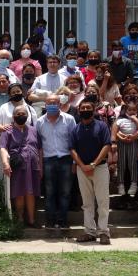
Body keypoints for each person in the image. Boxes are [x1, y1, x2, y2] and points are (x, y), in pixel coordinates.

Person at [70, 99, 112, 245]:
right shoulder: (76, 129)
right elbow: (72, 149)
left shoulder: (102, 126)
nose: (86, 109)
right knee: (87, 203)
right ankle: (89, 232)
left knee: (102, 201)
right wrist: (82, 166)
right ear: (79, 111)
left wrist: (93, 164)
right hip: (83, 170)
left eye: (88, 107)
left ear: (94, 110)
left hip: (99, 168)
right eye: (83, 107)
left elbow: (107, 145)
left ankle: (103, 232)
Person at [36, 93, 77, 229]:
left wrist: (74, 163)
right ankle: (50, 221)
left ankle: (63, 220)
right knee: (49, 192)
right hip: (48, 160)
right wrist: (40, 165)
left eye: (55, 103)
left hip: (66, 159)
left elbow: (74, 142)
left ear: (60, 104)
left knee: (65, 192)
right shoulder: (39, 122)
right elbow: (39, 146)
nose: (52, 105)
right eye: (49, 103)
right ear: (45, 105)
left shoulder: (69, 119)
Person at [0, 105, 42, 227]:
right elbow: (2, 148)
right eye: (18, 114)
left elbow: (40, 149)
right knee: (19, 193)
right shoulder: (8, 131)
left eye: (23, 114)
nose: (21, 116)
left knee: (31, 192)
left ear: (27, 116)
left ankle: (32, 220)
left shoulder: (33, 130)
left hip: (33, 166)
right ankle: (20, 219)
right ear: (13, 117)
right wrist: (5, 163)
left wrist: (41, 167)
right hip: (18, 167)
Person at [111, 102, 138, 200]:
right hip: (121, 144)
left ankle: (134, 184)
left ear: (137, 111)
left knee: (132, 164)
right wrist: (120, 137)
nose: (132, 112)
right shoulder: (120, 120)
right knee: (121, 164)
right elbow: (114, 131)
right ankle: (120, 184)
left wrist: (134, 136)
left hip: (133, 143)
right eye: (129, 110)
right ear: (125, 110)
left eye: (134, 110)